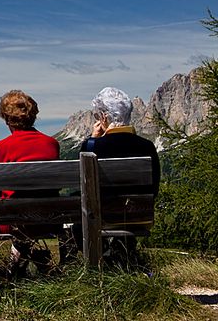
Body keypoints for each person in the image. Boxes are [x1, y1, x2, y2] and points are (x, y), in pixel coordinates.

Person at [0, 90, 59, 286]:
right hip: (47, 219)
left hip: (12, 221)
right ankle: (19, 268)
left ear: (6, 118)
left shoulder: (1, 147)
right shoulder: (52, 144)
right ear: (34, 115)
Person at [59, 87, 160, 267]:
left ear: (104, 117)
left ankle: (101, 259)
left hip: (100, 216)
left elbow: (84, 186)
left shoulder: (92, 146)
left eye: (98, 116)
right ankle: (122, 253)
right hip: (139, 216)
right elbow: (155, 187)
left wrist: (92, 140)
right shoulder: (148, 147)